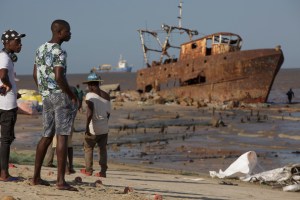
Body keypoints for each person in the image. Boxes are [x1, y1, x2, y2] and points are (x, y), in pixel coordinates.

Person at [31, 19, 78, 191]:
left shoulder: (40, 49)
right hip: (59, 95)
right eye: (68, 31)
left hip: (46, 97)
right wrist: (71, 95)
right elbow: (59, 76)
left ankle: (35, 177)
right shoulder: (60, 51)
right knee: (62, 136)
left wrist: (44, 91)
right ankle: (60, 181)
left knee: (46, 135)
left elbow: (35, 74)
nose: (70, 34)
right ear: (59, 32)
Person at [0, 29, 25, 181]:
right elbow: (2, 75)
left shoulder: (3, 57)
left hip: (4, 102)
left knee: (3, 139)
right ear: (7, 43)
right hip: (7, 106)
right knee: (5, 140)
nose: (20, 45)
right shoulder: (4, 58)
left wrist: (14, 91)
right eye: (17, 42)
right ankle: (4, 174)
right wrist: (8, 85)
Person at [80, 72, 111, 177]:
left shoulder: (89, 95)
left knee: (88, 148)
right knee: (102, 149)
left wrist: (86, 128)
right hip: (104, 128)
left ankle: (88, 170)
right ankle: (103, 172)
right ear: (98, 83)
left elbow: (89, 113)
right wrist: (105, 123)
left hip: (93, 128)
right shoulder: (106, 95)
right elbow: (108, 114)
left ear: (90, 85)